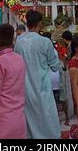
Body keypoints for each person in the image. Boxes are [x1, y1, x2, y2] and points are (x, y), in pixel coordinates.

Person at [15, 10, 61, 139]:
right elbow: (54, 66)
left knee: (30, 125)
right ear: (40, 23)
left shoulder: (19, 42)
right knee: (48, 123)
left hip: (25, 90)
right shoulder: (45, 42)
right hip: (42, 88)